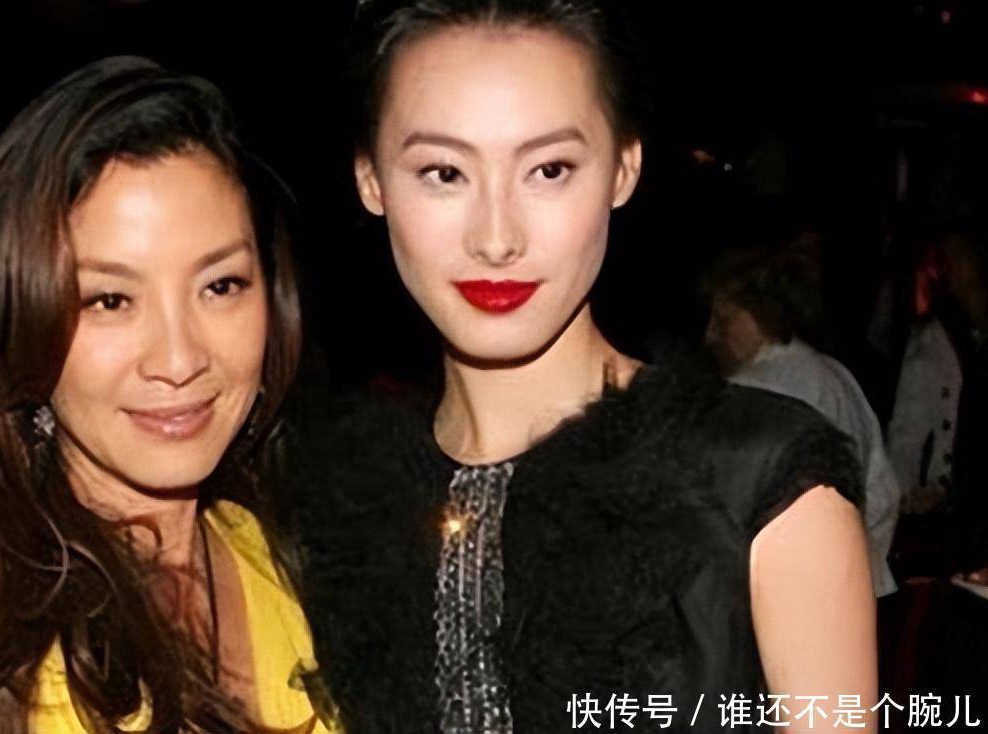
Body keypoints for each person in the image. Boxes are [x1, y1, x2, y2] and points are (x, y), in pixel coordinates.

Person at [288, 2, 877, 731]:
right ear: (370, 179)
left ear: (623, 168)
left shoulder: (759, 479)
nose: (496, 237)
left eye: (549, 170)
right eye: (443, 172)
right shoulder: (329, 503)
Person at [0, 56, 331, 733]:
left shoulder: (285, 559)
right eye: (109, 300)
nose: (179, 360)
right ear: (23, 321)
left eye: (220, 286)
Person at [703, 243, 901, 597]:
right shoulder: (836, 375)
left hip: (785, 595)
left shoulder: (750, 390)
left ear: (758, 313)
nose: (711, 335)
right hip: (858, 587)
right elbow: (883, 493)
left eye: (723, 319)